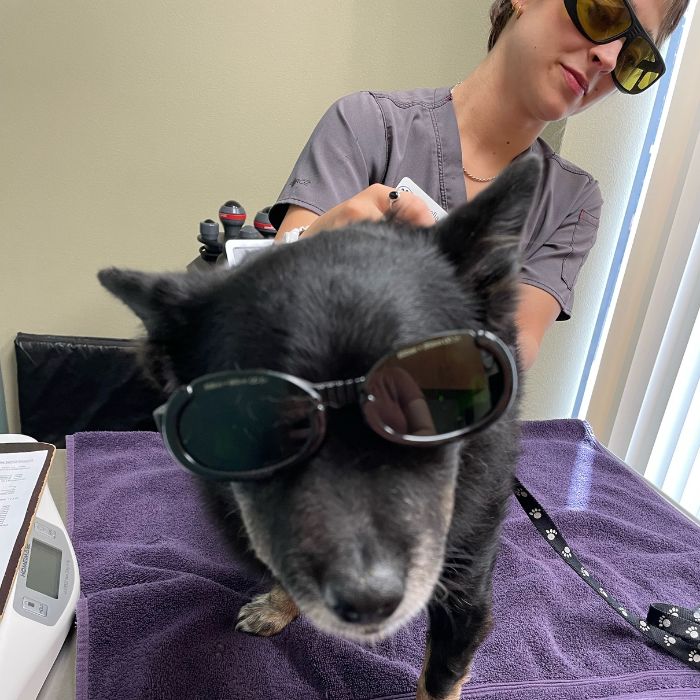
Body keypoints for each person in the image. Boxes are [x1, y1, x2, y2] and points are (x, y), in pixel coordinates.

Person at [268, 0, 688, 370]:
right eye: (602, 11)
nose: (609, 58)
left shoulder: (572, 203)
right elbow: (275, 315)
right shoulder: (366, 125)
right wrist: (311, 252)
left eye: (635, 55)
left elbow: (506, 361)